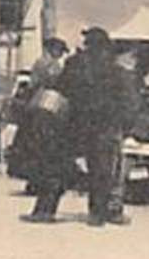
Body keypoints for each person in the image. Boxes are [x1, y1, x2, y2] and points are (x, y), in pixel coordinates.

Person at [57, 27, 132, 226]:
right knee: (105, 170)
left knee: (76, 165)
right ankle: (100, 212)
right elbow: (125, 99)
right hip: (107, 125)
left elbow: (61, 88)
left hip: (79, 123)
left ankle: (46, 208)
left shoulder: (74, 64)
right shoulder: (114, 69)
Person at [18, 38, 76, 223]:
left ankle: (36, 187)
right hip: (46, 107)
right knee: (43, 151)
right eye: (59, 50)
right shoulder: (46, 64)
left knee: (39, 151)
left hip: (41, 108)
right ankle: (37, 188)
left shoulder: (47, 64)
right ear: (52, 49)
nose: (60, 54)